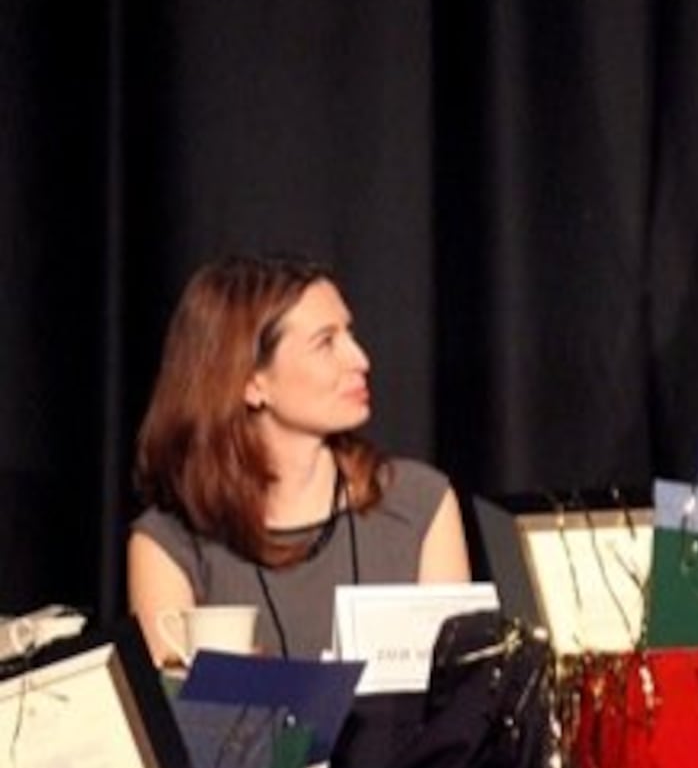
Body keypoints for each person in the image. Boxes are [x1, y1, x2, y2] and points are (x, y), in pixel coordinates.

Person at [128, 254, 471, 663]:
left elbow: (458, 703)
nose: (361, 360)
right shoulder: (168, 543)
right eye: (325, 342)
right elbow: (176, 718)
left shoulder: (419, 504)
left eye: (349, 334)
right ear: (252, 382)